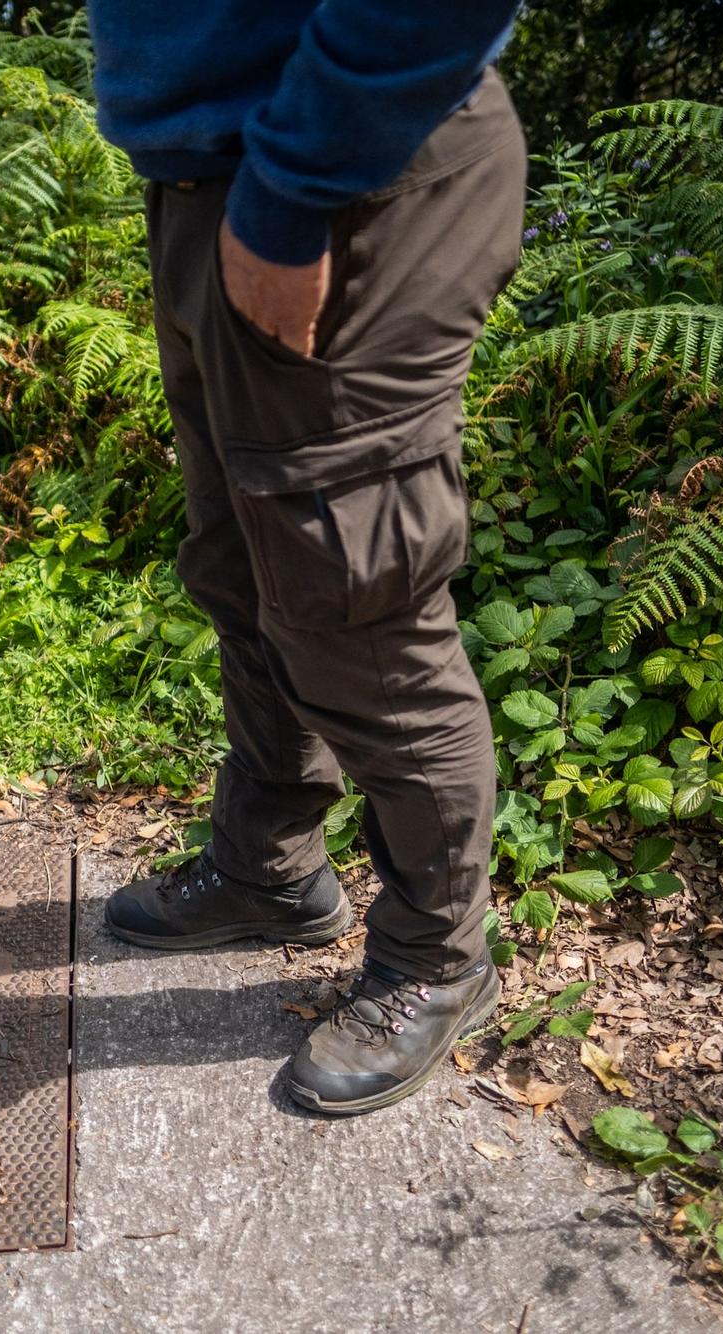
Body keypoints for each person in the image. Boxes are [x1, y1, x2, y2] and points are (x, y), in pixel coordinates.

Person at [86, 0, 529, 1115]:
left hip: (344, 181)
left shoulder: (305, 182)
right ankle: (266, 867)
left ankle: (438, 956)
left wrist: (288, 194)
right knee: (241, 564)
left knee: (353, 601)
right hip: (212, 183)